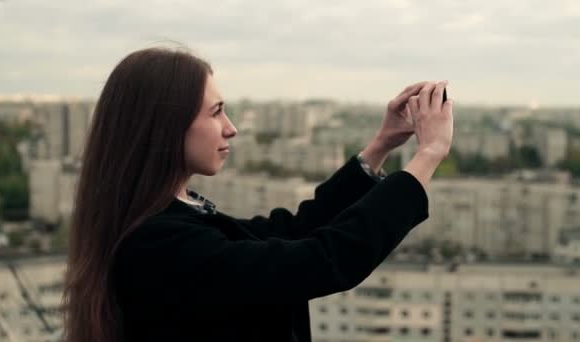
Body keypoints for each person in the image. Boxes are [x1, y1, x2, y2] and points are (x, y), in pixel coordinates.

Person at [62, 47, 453, 342]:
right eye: (216, 112)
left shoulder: (170, 217)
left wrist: (381, 146)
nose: (230, 128)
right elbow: (321, 260)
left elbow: (287, 232)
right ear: (165, 126)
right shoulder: (158, 244)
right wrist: (427, 157)